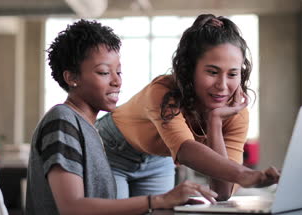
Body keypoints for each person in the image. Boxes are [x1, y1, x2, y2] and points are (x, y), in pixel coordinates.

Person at [25, 19, 218, 215]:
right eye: (104, 72)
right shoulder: (62, 121)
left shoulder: (88, 128)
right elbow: (72, 208)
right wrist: (159, 200)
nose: (117, 81)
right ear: (72, 78)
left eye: (118, 71)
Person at [95, 14, 280, 201]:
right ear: (190, 69)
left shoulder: (235, 113)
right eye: (212, 72)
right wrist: (244, 174)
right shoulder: (162, 92)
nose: (222, 85)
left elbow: (222, 192)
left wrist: (214, 122)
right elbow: (184, 150)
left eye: (232, 74)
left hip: (158, 160)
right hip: (112, 148)